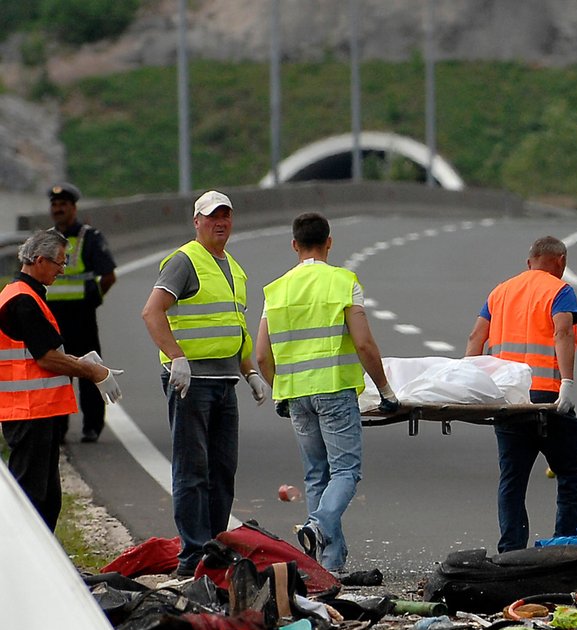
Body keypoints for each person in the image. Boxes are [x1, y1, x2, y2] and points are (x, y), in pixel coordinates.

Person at [255, 212, 398, 573]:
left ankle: (329, 565)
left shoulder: (275, 290)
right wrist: (384, 390)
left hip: (296, 396)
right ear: (329, 242)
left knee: (317, 475)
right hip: (334, 390)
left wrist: (280, 391)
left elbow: (260, 354)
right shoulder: (343, 281)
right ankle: (317, 527)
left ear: (294, 245)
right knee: (346, 472)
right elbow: (364, 343)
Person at [141, 190, 268, 577]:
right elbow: (152, 311)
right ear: (196, 221)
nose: (220, 222)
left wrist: (250, 372)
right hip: (191, 383)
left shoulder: (233, 268)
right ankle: (192, 557)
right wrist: (176, 357)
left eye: (226, 216)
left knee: (222, 470)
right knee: (192, 470)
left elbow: (235, 329)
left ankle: (216, 548)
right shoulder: (185, 261)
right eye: (212, 216)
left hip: (225, 381)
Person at [465, 235, 577, 553]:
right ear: (560, 261)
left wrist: (469, 384)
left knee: (512, 478)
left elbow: (476, 338)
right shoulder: (560, 290)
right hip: (547, 399)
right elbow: (562, 331)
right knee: (571, 473)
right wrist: (568, 383)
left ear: (528, 261)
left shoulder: (500, 292)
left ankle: (511, 551)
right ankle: (565, 547)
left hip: (508, 400)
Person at [0, 229, 123, 530]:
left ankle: (44, 567)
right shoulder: (23, 301)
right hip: (28, 411)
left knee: (47, 497)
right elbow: (47, 357)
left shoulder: (26, 295)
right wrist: (93, 372)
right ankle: (24, 567)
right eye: (59, 262)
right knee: (32, 498)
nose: (62, 269)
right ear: (39, 260)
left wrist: (82, 362)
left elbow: (42, 353)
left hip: (34, 411)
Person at [46, 183, 118, 444]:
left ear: (73, 208)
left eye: (63, 204)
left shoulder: (89, 237)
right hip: (52, 319)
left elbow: (109, 275)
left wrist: (93, 299)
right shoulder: (46, 240)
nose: (58, 209)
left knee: (88, 371)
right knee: (56, 374)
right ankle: (58, 429)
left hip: (81, 317)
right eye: (55, 205)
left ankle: (92, 426)